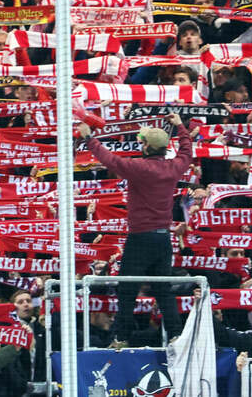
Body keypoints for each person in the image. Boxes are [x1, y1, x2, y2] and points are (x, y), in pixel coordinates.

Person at [78, 113, 193, 346]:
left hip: (140, 238)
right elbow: (186, 151)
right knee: (163, 290)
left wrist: (89, 138)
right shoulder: (174, 167)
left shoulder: (139, 167)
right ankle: (176, 335)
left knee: (127, 288)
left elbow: (110, 160)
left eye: (142, 142)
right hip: (163, 240)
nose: (140, 145)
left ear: (148, 147)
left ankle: (121, 338)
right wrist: (180, 125)